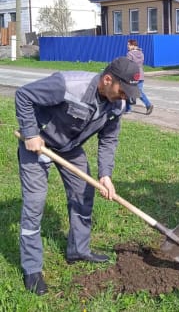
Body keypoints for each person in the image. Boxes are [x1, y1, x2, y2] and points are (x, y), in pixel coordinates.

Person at [15, 56, 141, 296]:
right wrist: (30, 133)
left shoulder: (117, 105)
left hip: (70, 148)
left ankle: (78, 250)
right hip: (38, 143)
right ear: (107, 80)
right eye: (123, 90)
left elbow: (109, 139)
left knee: (84, 194)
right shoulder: (68, 85)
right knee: (34, 204)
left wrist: (105, 174)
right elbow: (23, 95)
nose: (126, 96)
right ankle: (32, 269)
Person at [126, 39, 154, 115]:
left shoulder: (129, 54)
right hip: (140, 75)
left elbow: (129, 65)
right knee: (137, 92)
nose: (127, 46)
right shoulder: (141, 53)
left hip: (133, 75)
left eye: (128, 45)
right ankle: (147, 105)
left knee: (129, 91)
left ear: (133, 45)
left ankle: (128, 109)